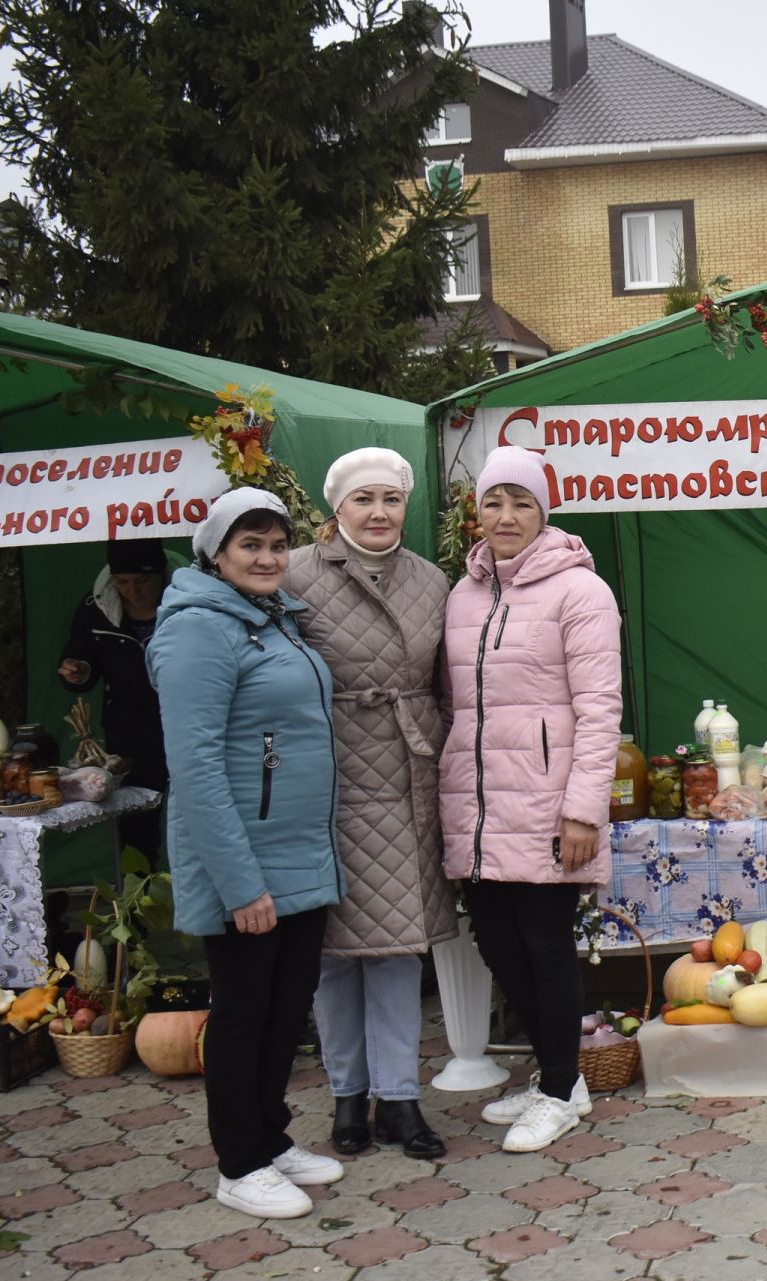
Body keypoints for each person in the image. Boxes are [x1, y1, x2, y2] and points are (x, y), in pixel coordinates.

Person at [148, 488, 345, 1219]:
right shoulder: (199, 630)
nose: (267, 558)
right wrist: (240, 884)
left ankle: (270, 1136)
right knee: (242, 1012)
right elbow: (193, 767)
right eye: (249, 545)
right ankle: (239, 1161)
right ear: (216, 553)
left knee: (285, 1007)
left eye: (275, 545)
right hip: (244, 862)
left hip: (297, 853)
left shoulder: (274, 620)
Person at [439, 446, 621, 1153]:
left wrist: (584, 809)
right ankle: (559, 1074)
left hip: (549, 806)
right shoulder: (464, 594)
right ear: (476, 513)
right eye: (493, 502)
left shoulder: (581, 592)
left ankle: (557, 1092)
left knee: (546, 949)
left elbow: (600, 707)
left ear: (544, 510)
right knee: (498, 944)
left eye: (521, 501)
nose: (506, 516)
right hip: (479, 809)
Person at [287, 449, 455, 1161]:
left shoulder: (431, 579)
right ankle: (347, 1095)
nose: (380, 512)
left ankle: (400, 1098)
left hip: (406, 771)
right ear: (337, 510)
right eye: (364, 500)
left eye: (392, 498)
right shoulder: (294, 573)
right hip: (325, 773)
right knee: (330, 951)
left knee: (395, 946)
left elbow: (449, 681)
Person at [57, 538, 171, 861]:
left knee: (196, 818)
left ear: (162, 574)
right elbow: (79, 657)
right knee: (135, 835)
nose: (132, 591)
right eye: (122, 582)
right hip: (128, 734)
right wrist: (78, 670)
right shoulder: (95, 608)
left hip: (185, 724)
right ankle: (139, 904)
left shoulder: (189, 601)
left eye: (142, 581)